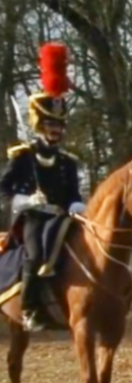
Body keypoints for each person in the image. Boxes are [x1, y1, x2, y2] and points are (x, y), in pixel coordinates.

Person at [0, 42, 86, 332]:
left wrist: (77, 204)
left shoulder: (68, 161)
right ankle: (29, 308)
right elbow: (3, 190)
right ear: (40, 124)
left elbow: (73, 193)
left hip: (62, 217)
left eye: (60, 126)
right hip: (34, 217)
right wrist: (26, 200)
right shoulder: (23, 157)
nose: (56, 130)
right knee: (36, 254)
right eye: (51, 124)